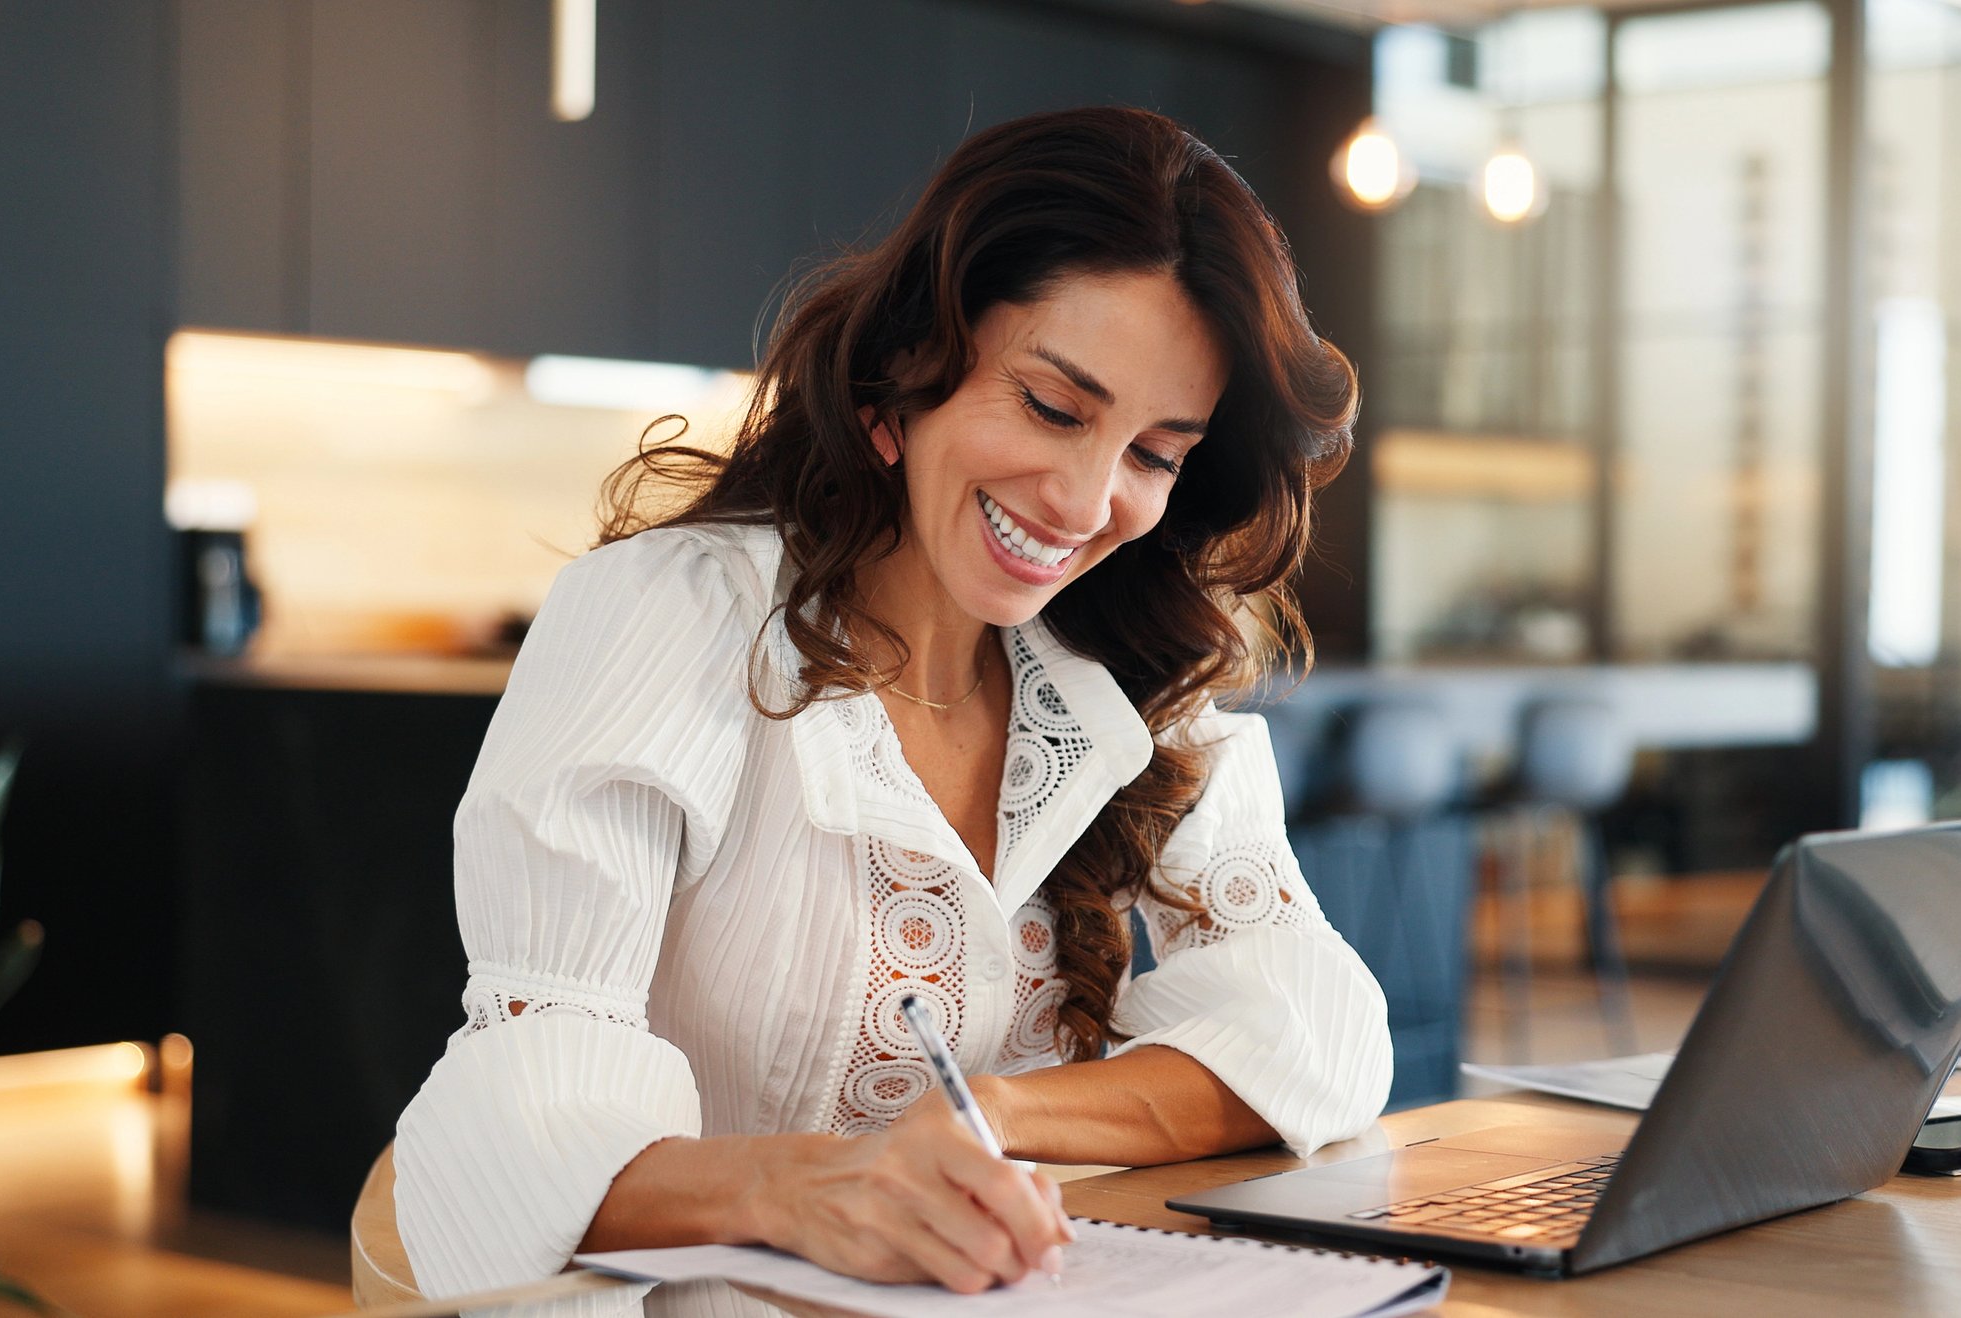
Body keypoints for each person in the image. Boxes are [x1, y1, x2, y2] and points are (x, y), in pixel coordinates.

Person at [393, 105, 1392, 1305]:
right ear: (906, 371)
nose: (1086, 501)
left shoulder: (1124, 677)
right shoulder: (670, 618)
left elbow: (1317, 1038)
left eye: (1153, 453)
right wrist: (805, 1186)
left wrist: (991, 1119)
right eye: (1054, 407)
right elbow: (507, 1131)